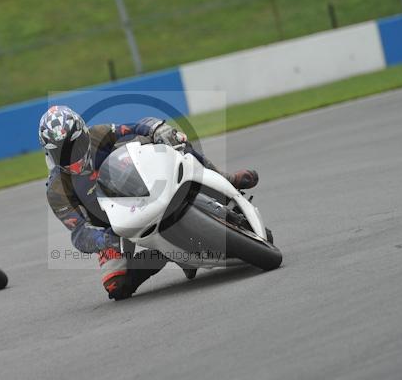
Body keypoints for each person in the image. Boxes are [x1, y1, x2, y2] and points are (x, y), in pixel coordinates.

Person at [40, 105, 259, 300]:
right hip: (113, 227)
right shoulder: (56, 190)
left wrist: (156, 129)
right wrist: (102, 238)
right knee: (117, 286)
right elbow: (78, 232)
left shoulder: (99, 134)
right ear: (50, 153)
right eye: (61, 152)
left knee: (176, 141)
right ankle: (167, 253)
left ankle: (224, 179)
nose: (71, 157)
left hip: (138, 187)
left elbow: (134, 128)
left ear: (84, 135)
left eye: (74, 146)